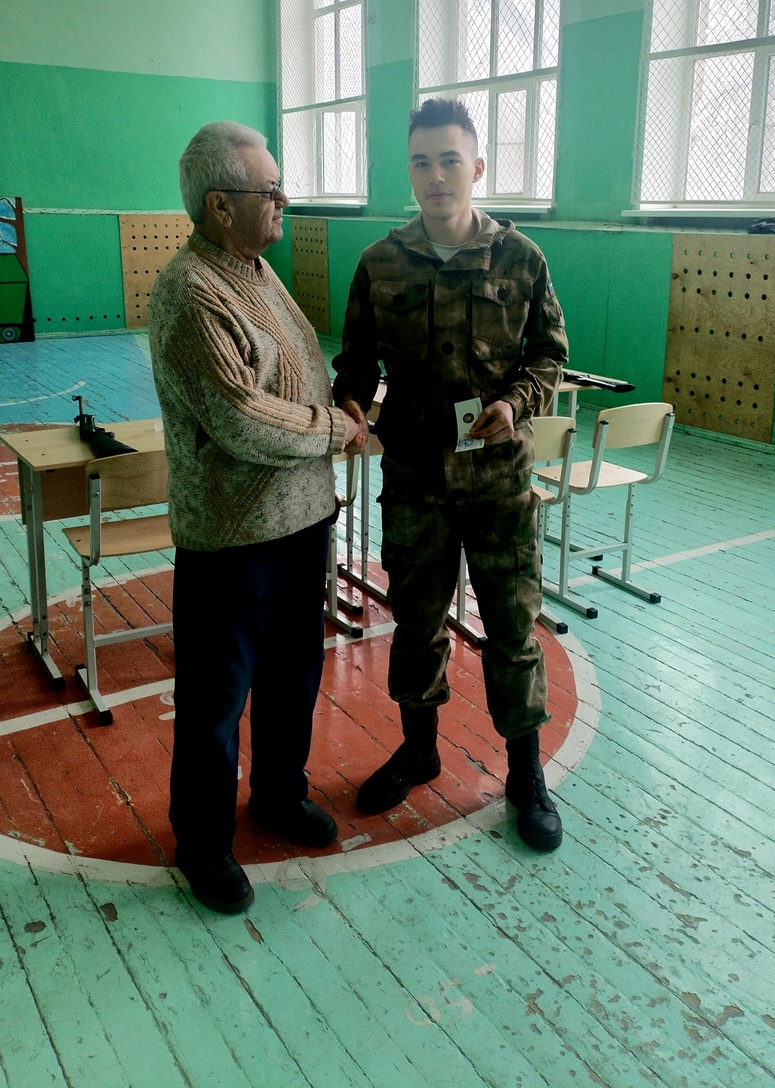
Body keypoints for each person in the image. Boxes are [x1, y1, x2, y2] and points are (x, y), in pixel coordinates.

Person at [332, 97, 569, 851]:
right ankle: (420, 749)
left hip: (498, 481)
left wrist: (514, 402)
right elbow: (355, 362)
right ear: (409, 171)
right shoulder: (379, 263)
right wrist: (350, 404)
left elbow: (549, 355)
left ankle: (524, 772)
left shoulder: (521, 258)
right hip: (414, 479)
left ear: (477, 167)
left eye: (449, 160)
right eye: (421, 162)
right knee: (416, 625)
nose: (436, 176)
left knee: (512, 628)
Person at [149, 121, 365, 914]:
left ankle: (278, 793)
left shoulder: (257, 269)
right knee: (217, 699)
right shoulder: (190, 290)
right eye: (268, 190)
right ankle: (203, 842)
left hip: (302, 522)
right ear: (219, 206)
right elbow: (241, 416)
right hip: (233, 539)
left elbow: (295, 372)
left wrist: (341, 401)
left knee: (293, 674)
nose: (283, 200)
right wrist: (337, 428)